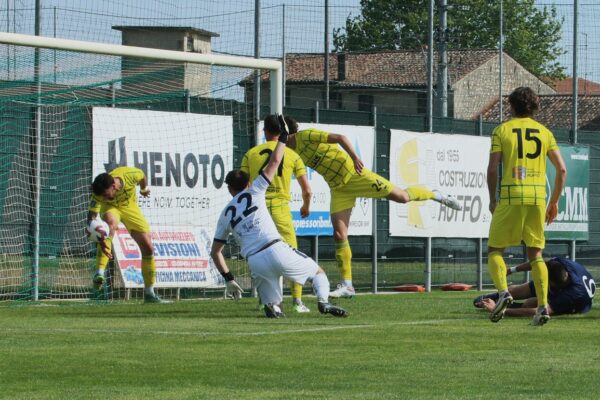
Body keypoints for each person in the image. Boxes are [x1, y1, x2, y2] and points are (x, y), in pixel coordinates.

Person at [283, 116, 462, 298]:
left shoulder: (305, 136)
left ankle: (436, 195)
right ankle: (347, 286)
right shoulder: (288, 152)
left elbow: (340, 138)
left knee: (402, 197)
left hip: (355, 175)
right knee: (339, 234)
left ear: (285, 132)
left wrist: (354, 158)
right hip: (338, 188)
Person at [210, 114, 348, 318]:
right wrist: (284, 138)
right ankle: (314, 301)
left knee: (273, 306)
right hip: (275, 241)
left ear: (229, 189)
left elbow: (215, 252)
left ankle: (270, 304)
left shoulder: (225, 214)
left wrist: (229, 279)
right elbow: (275, 161)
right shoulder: (256, 190)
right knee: (317, 273)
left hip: (254, 260)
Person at [486, 87, 567, 325]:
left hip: (511, 197)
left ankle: (503, 293)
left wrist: (492, 199)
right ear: (535, 106)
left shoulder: (502, 130)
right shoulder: (545, 132)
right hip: (536, 199)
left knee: (495, 250)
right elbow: (562, 170)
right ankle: (543, 307)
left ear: (510, 105)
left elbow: (493, 169)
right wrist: (553, 202)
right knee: (536, 255)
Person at [240, 115, 313, 313]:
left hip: (258, 209)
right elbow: (307, 189)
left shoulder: (250, 154)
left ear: (264, 131)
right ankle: (297, 302)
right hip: (280, 208)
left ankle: (265, 300)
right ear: (284, 134)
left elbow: (245, 186)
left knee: (260, 252)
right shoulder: (292, 155)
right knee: (293, 254)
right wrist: (306, 206)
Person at [88, 166, 168, 303]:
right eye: (103, 197)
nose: (104, 198)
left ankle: (150, 294)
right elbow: (92, 216)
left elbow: (142, 175)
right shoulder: (99, 192)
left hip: (130, 208)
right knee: (111, 225)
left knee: (148, 248)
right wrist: (91, 228)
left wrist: (143, 190)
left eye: (107, 196)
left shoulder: (130, 175)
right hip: (112, 210)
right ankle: (99, 273)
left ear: (114, 185)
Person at [474, 257, 595, 317]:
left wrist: (498, 310)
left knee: (532, 304)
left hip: (576, 303)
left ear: (551, 283)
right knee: (515, 291)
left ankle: (506, 305)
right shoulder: (563, 265)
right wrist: (511, 270)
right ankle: (497, 297)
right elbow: (538, 262)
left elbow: (540, 312)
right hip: (564, 286)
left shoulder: (571, 295)